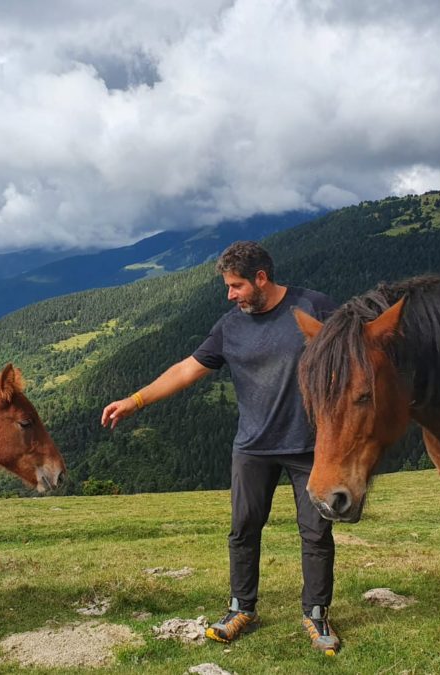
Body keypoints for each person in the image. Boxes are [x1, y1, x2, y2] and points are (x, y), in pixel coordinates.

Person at [100, 240, 341, 654]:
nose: (230, 295)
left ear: (261, 278)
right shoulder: (231, 326)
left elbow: (354, 356)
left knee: (316, 533)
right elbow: (185, 369)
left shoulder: (315, 307)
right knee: (243, 530)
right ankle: (240, 609)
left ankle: (316, 615)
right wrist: (135, 400)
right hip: (252, 446)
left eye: (235, 286)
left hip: (310, 446)